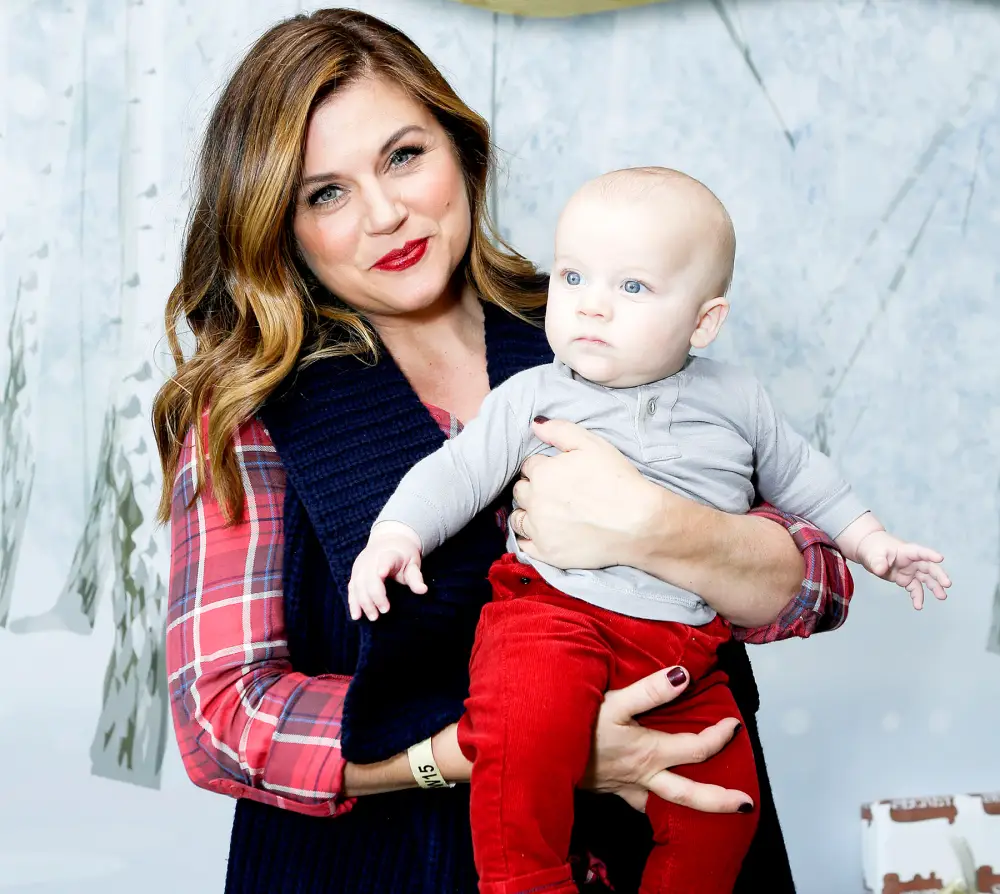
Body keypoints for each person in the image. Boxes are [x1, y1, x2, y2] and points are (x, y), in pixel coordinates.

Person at [157, 9, 855, 893]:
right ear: (280, 224)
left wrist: (663, 530)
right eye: (324, 193)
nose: (385, 213)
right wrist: (499, 744)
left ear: (460, 150)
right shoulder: (250, 412)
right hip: (386, 868)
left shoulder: (599, 322)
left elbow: (823, 583)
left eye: (404, 155)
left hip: (686, 849)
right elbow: (223, 718)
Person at [348, 167, 951, 894]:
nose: (592, 307)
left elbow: (807, 480)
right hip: (551, 616)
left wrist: (872, 540)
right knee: (524, 728)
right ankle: (525, 883)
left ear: (704, 321)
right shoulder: (534, 393)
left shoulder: (738, 399)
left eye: (631, 288)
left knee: (729, 803)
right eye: (573, 277)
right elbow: (457, 472)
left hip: (683, 652)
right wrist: (397, 531)